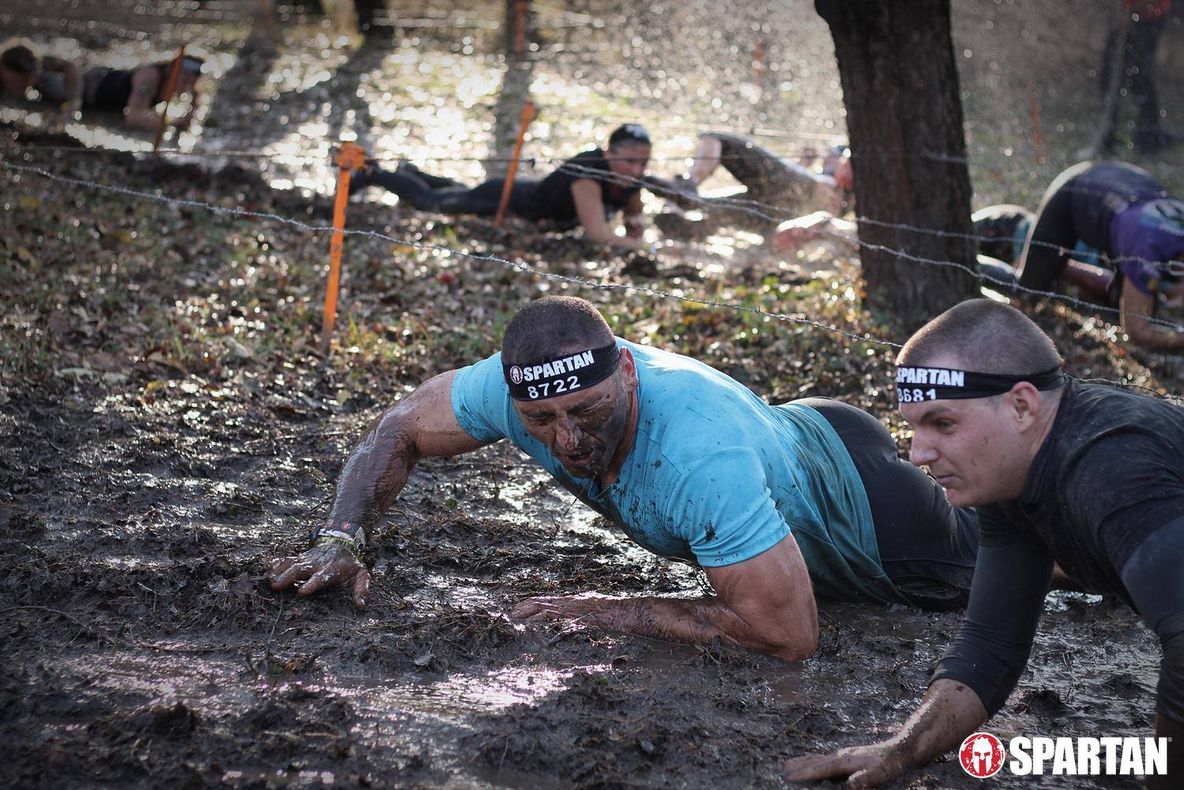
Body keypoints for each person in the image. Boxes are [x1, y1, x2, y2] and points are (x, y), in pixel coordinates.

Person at [268, 296, 980, 661]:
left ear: (629, 370)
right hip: (795, 435)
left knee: (1041, 560)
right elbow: (399, 426)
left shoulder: (698, 459)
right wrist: (341, 538)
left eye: (588, 410)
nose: (569, 440)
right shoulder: (511, 386)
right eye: (540, 421)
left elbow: (788, 638)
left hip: (886, 525)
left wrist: (600, 609)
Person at [786, 299, 1183, 789]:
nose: (918, 452)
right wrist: (904, 749)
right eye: (914, 426)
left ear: (1022, 405)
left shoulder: (1110, 464)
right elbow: (990, 647)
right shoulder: (1011, 478)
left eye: (943, 423)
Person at [351, 124, 653, 248]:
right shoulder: (589, 172)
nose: (636, 171)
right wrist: (647, 247)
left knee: (459, 191)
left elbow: (634, 218)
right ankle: (372, 172)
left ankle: (412, 171)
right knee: (431, 202)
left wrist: (636, 227)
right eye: (629, 161)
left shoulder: (626, 179)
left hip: (516, 192)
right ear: (609, 151)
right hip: (506, 200)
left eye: (643, 164)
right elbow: (598, 234)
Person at [1010, 161, 1184, 352]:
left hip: (1116, 192)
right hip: (1075, 193)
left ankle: (1062, 274)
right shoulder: (1148, 250)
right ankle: (985, 271)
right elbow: (1137, 331)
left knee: (1125, 301)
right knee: (1027, 296)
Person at [652, 132, 853, 242]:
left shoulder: (840, 184)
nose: (828, 158)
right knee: (703, 205)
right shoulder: (819, 178)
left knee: (718, 140)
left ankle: (689, 186)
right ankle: (691, 222)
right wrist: (803, 164)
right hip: (773, 212)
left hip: (782, 205)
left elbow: (827, 190)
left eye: (833, 155)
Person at [82, 54, 204, 132]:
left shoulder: (184, 87)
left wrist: (192, 108)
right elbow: (133, 118)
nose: (187, 87)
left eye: (191, 83)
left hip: (109, 106)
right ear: (171, 72)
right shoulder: (150, 77)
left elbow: (193, 114)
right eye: (184, 81)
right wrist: (171, 124)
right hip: (89, 87)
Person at [0, 42, 81, 110]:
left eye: (27, 79)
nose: (25, 84)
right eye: (22, 79)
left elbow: (70, 67)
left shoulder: (39, 66)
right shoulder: (8, 72)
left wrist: (73, 104)